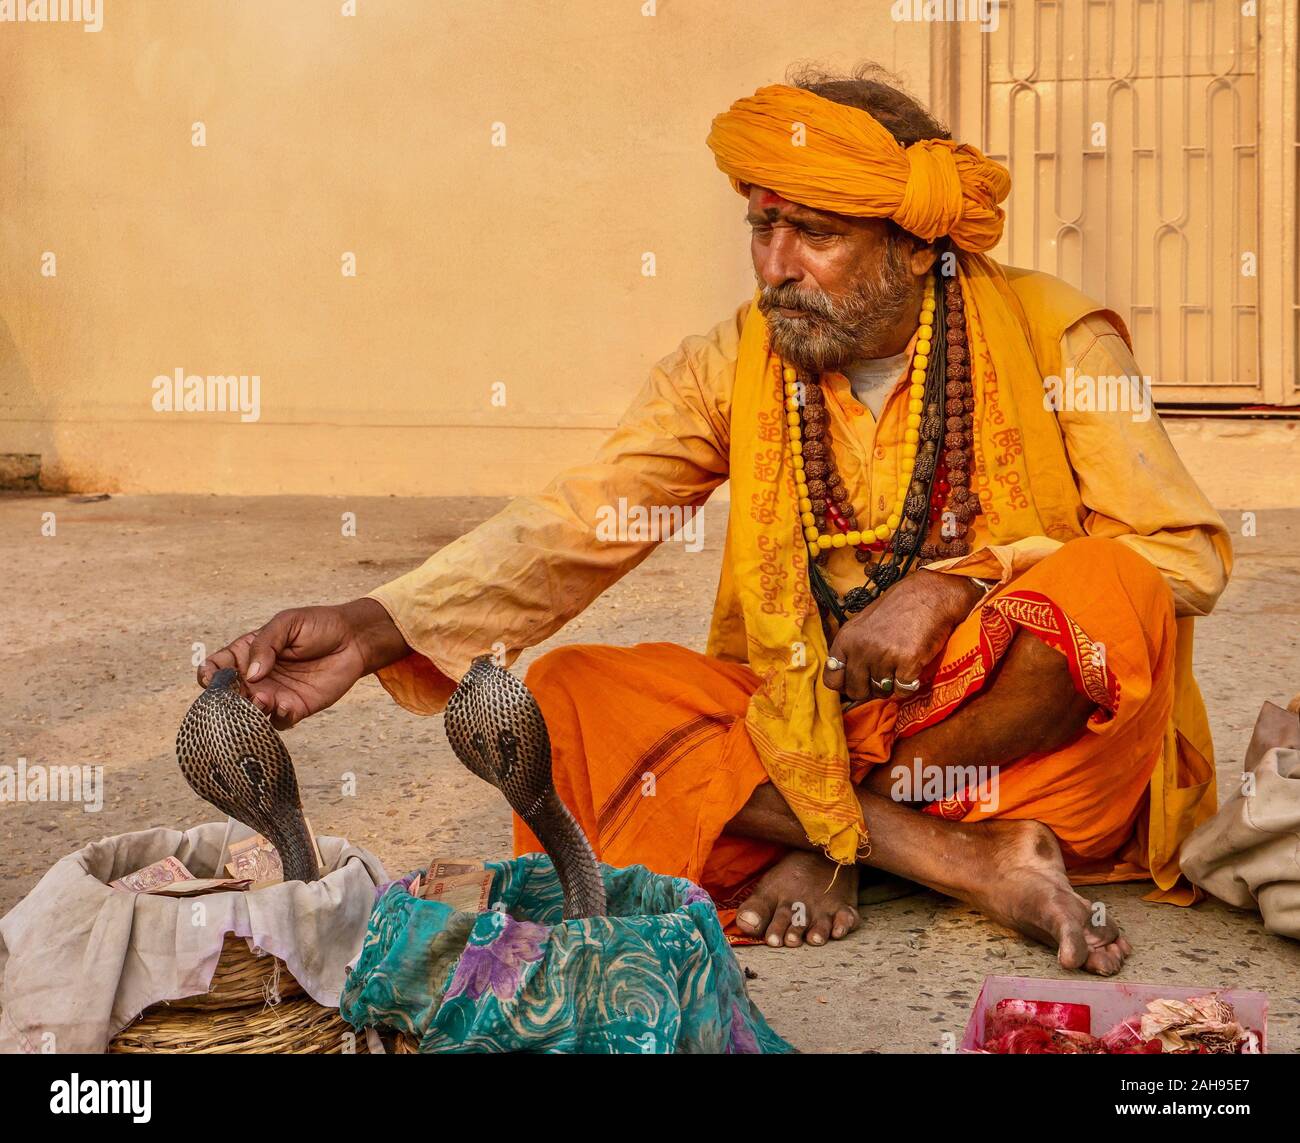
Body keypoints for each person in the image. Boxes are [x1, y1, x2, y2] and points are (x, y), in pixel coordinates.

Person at [199, 65, 1231, 975]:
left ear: (918, 247)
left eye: (814, 233)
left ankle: (839, 835)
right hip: (802, 718)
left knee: (1108, 590)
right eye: (759, 224)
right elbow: (583, 516)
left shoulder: (1060, 337)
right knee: (556, 706)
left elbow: (1179, 556)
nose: (774, 264)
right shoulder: (732, 362)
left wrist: (958, 581)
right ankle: (949, 856)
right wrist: (375, 624)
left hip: (1012, 752)